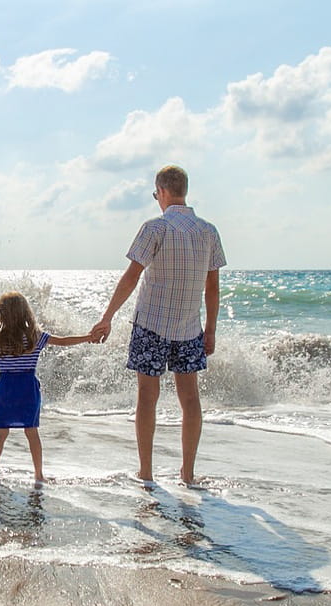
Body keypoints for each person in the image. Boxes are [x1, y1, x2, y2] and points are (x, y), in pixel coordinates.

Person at [90, 165, 226, 485]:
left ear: (162, 191)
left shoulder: (155, 228)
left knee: (147, 397)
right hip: (190, 328)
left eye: (156, 194)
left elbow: (131, 277)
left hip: (151, 325)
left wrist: (107, 316)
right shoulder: (208, 231)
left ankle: (146, 472)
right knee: (190, 399)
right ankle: (188, 474)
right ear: (184, 191)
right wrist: (211, 330)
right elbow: (213, 288)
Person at [0, 292, 96, 483]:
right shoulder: (35, 336)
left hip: (5, 389)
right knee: (31, 432)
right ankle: (39, 475)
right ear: (25, 313)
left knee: (1, 433)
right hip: (27, 390)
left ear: (2, 315)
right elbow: (64, 341)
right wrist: (88, 337)